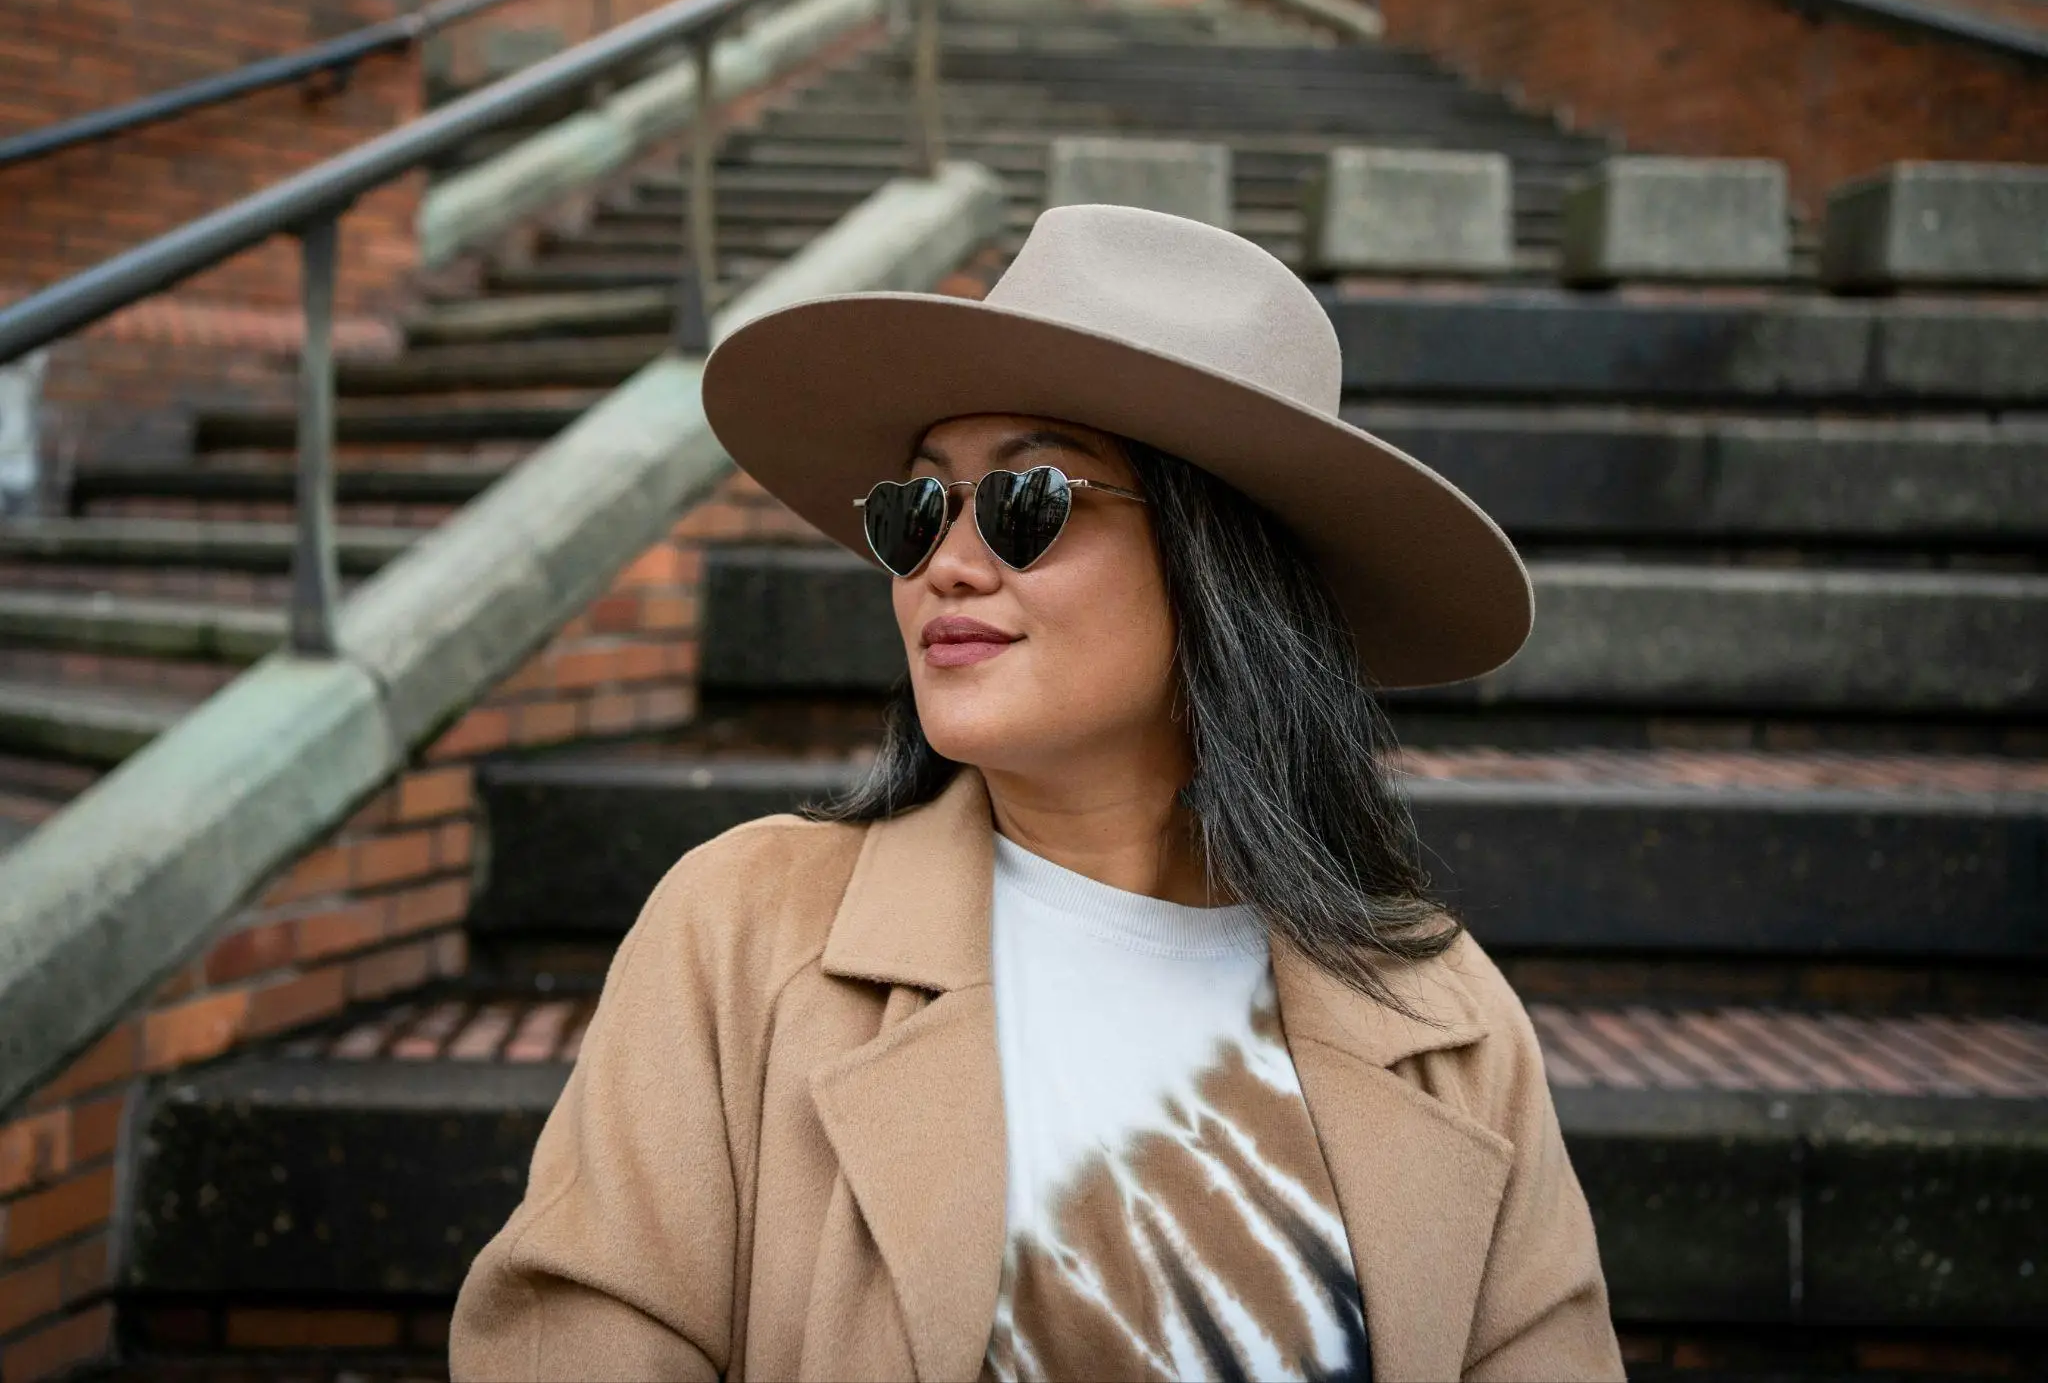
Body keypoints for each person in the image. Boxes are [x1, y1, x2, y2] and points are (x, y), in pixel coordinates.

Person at [450, 204, 1624, 1382]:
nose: (947, 564)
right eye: (916, 510)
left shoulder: (1446, 1023)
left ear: (1221, 567)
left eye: (1027, 502)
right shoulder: (743, 933)